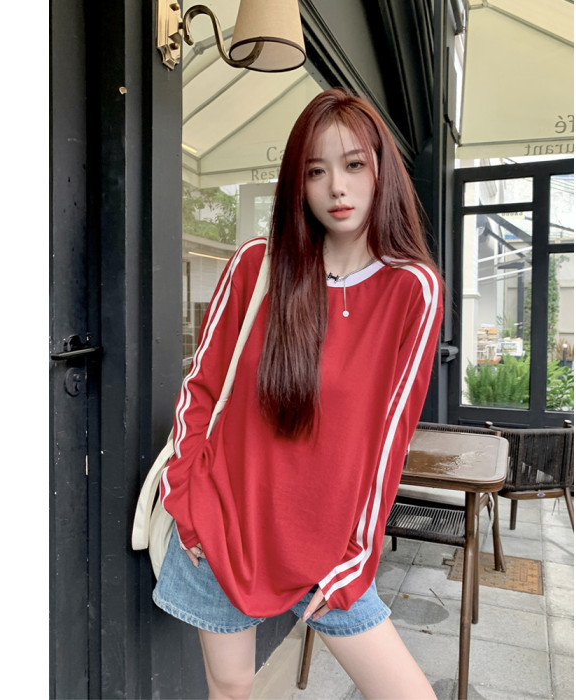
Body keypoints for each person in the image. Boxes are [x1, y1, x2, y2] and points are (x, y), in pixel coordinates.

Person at [154, 87, 443, 699]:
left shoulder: (412, 289)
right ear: (297, 184)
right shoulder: (256, 266)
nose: (337, 187)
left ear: (381, 170)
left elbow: (390, 441)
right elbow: (202, 386)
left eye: (353, 164)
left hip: (326, 548)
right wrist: (186, 496)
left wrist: (358, 557)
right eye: (316, 171)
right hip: (223, 525)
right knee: (231, 687)